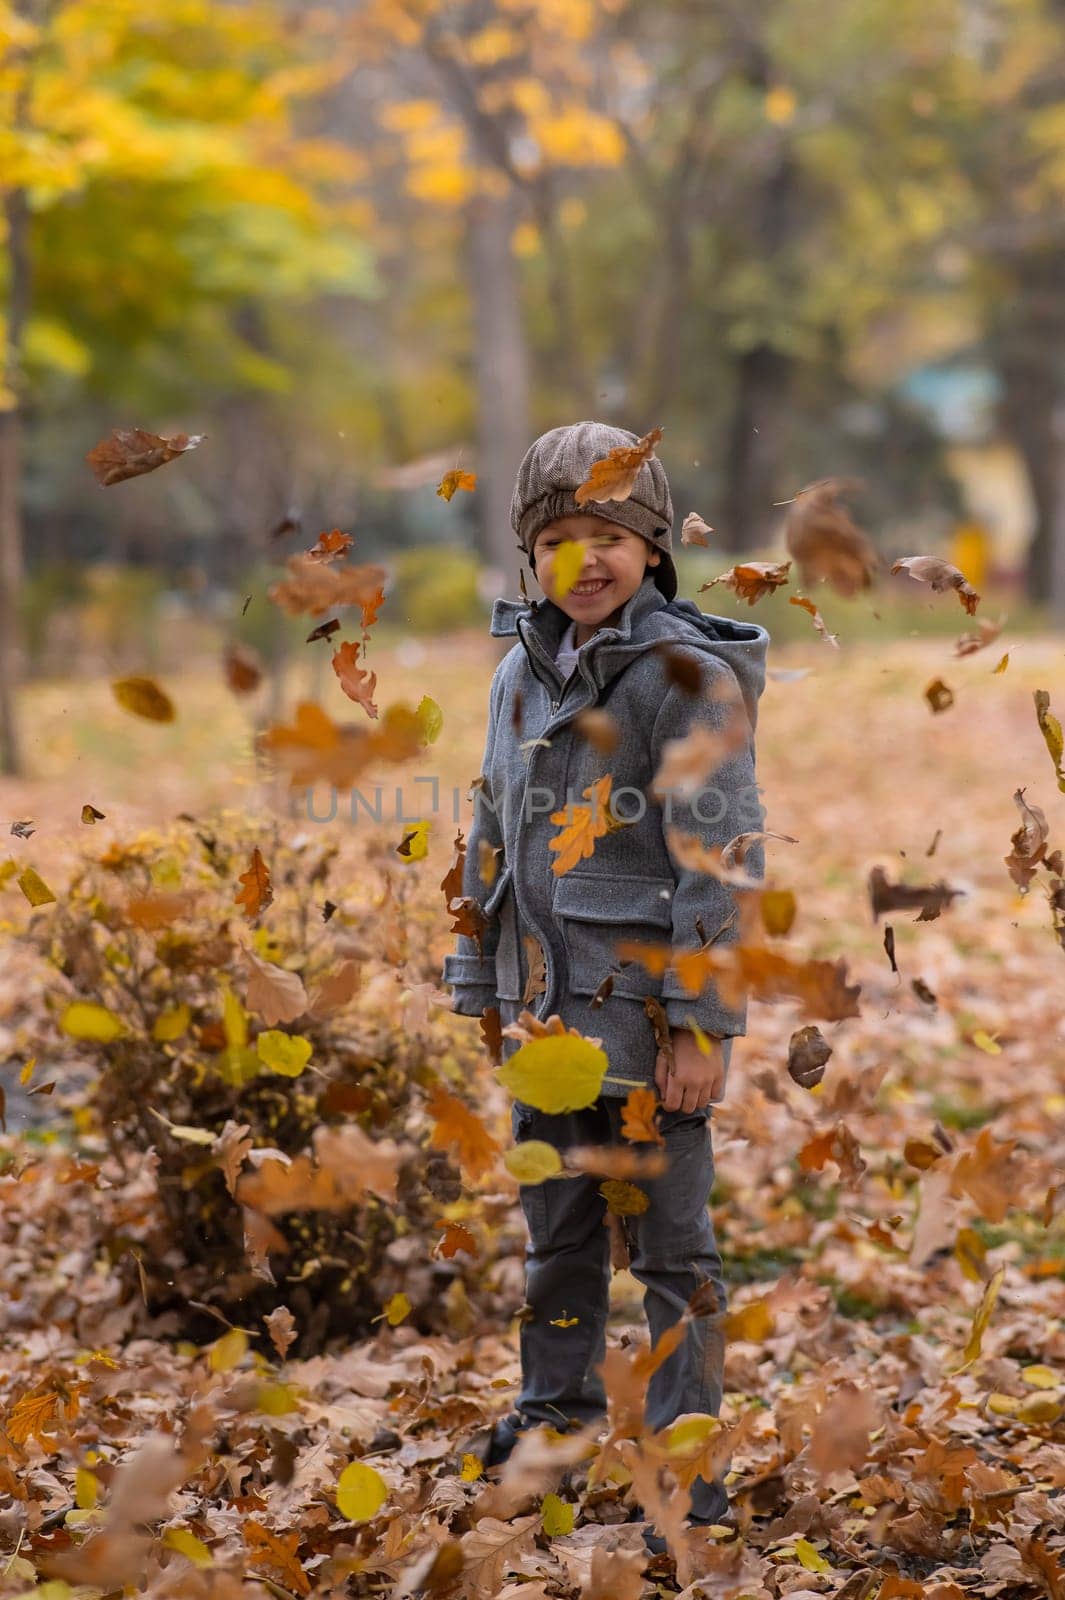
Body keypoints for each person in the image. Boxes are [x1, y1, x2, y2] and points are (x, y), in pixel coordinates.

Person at [442, 421, 769, 1544]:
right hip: (545, 1018)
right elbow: (489, 826)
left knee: (674, 1252)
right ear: (531, 553)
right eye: (561, 537)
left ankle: (690, 1468)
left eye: (612, 535)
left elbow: (721, 857)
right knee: (559, 1238)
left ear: (655, 547)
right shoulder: (514, 676)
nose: (587, 558)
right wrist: (475, 976)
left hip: (643, 1022)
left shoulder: (687, 678)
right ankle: (557, 1425)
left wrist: (700, 1022)